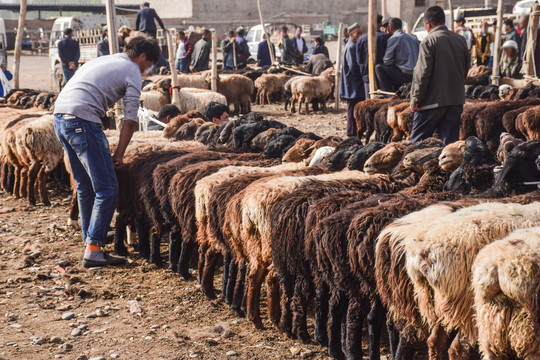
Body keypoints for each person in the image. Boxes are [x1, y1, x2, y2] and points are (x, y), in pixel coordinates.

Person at [53, 35, 159, 268]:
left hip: (60, 117)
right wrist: (119, 154)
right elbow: (130, 120)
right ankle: (93, 252)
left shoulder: (103, 60)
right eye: (148, 64)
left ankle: (91, 237)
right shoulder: (132, 70)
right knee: (108, 188)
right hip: (83, 121)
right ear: (142, 57)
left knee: (85, 185)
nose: (146, 69)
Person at [410, 6, 468, 145]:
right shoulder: (460, 40)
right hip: (455, 100)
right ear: (443, 20)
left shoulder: (428, 41)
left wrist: (416, 100)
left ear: (427, 24)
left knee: (417, 143)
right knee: (450, 147)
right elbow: (465, 68)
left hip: (431, 103)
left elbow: (422, 74)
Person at [375, 17, 419, 92]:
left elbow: (387, 61)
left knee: (378, 67)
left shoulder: (394, 38)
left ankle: (387, 94)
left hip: (405, 74)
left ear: (390, 27)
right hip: (415, 73)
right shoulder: (413, 38)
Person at [340, 23, 364, 137]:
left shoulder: (351, 45)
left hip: (353, 83)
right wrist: (363, 75)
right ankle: (351, 132)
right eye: (358, 33)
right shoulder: (351, 47)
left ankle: (353, 131)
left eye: (361, 33)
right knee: (352, 108)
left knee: (353, 107)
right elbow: (354, 66)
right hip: (353, 83)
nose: (360, 35)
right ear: (351, 34)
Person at [357, 14, 390, 98]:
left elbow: (359, 60)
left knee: (369, 102)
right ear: (380, 24)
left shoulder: (361, 39)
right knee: (382, 102)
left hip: (367, 76)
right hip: (383, 76)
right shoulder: (386, 37)